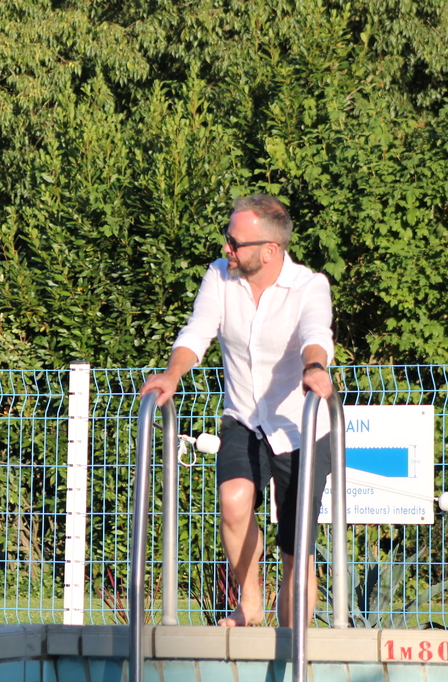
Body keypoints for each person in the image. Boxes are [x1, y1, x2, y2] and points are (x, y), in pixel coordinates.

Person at [139, 194, 334, 627]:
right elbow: (198, 331)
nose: (226, 248)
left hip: (300, 427)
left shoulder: (309, 286)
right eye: (227, 238)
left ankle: (292, 646)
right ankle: (249, 602)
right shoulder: (220, 275)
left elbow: (315, 333)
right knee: (233, 500)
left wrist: (314, 367)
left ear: (269, 250)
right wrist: (172, 374)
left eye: (235, 242)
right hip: (245, 418)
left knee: (295, 549)